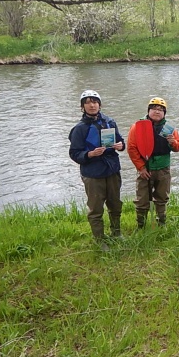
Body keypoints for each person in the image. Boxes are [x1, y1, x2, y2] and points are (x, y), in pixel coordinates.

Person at [68, 89, 125, 250]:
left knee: (115, 204)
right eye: (87, 102)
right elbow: (74, 153)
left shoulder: (110, 122)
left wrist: (121, 146)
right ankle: (100, 240)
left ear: (99, 104)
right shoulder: (79, 129)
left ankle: (116, 233)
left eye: (94, 102)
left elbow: (120, 141)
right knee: (96, 208)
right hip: (93, 173)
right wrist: (90, 154)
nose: (92, 105)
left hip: (112, 169)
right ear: (82, 107)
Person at [127, 97, 179, 229]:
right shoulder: (137, 126)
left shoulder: (169, 128)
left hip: (163, 168)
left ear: (164, 113)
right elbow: (131, 148)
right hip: (145, 168)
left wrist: (172, 142)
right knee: (142, 199)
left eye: (161, 110)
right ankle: (141, 225)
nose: (157, 112)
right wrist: (141, 168)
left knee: (162, 197)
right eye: (154, 109)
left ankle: (161, 223)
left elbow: (178, 147)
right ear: (148, 111)